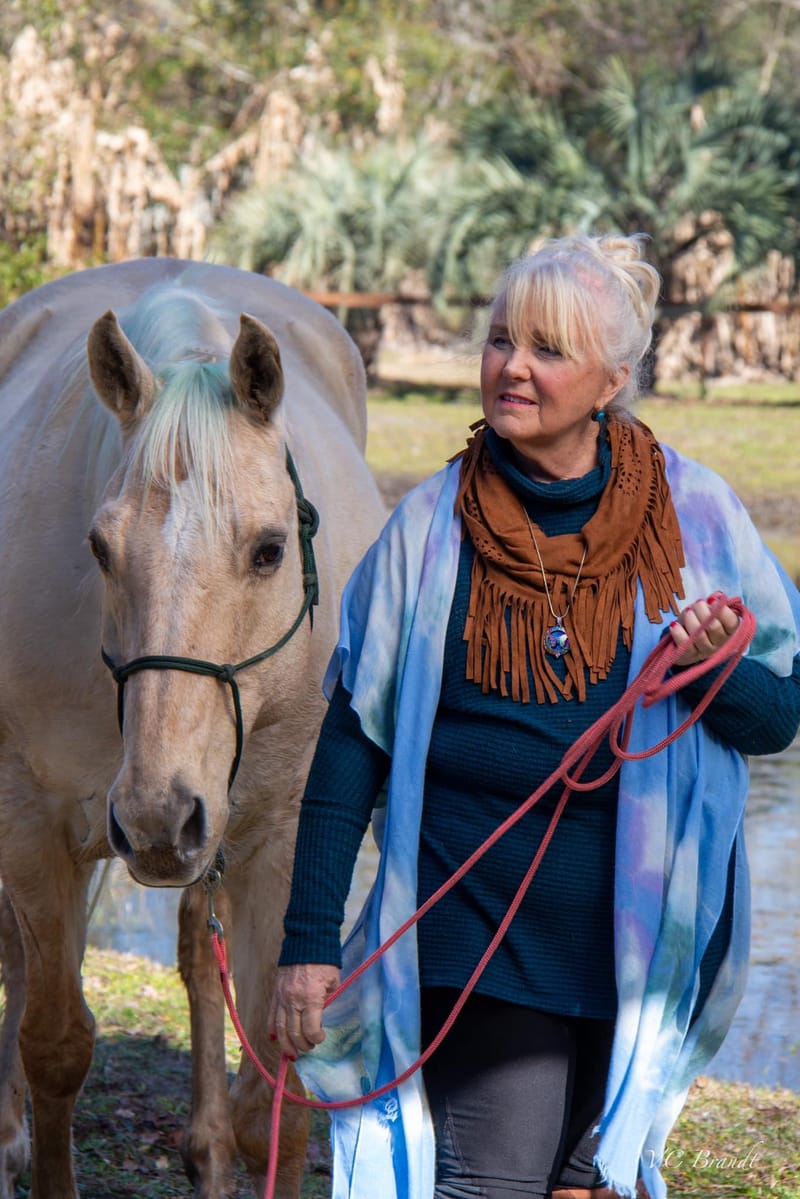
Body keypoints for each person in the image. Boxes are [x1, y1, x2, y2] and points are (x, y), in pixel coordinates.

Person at [269, 233, 800, 1199]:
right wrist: (308, 943)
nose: (513, 366)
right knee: (490, 1184)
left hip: (642, 956)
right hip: (473, 939)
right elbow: (352, 747)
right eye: (502, 338)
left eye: (548, 348)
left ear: (613, 379)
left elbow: (775, 721)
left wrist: (712, 665)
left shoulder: (700, 519)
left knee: (589, 1189)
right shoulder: (426, 532)